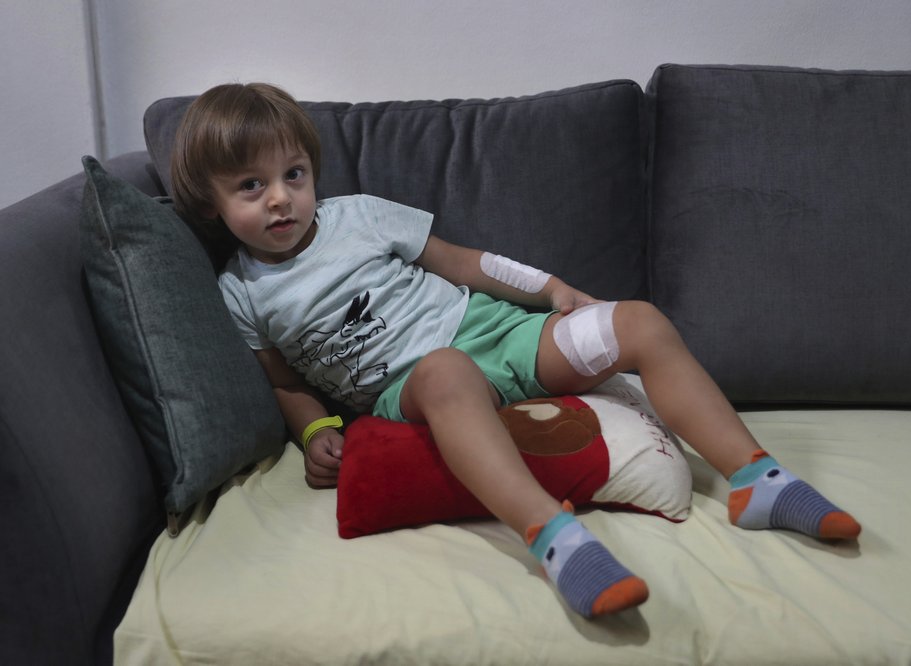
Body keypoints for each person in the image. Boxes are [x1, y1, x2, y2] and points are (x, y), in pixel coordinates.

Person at [170, 82, 861, 619]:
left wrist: (552, 289)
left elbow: (465, 263)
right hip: (414, 386)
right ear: (211, 203)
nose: (282, 199)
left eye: (294, 174)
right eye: (251, 187)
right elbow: (283, 379)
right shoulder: (240, 289)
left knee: (642, 322)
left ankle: (756, 482)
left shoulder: (359, 216)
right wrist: (316, 427)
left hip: (496, 331)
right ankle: (556, 540)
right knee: (444, 370)